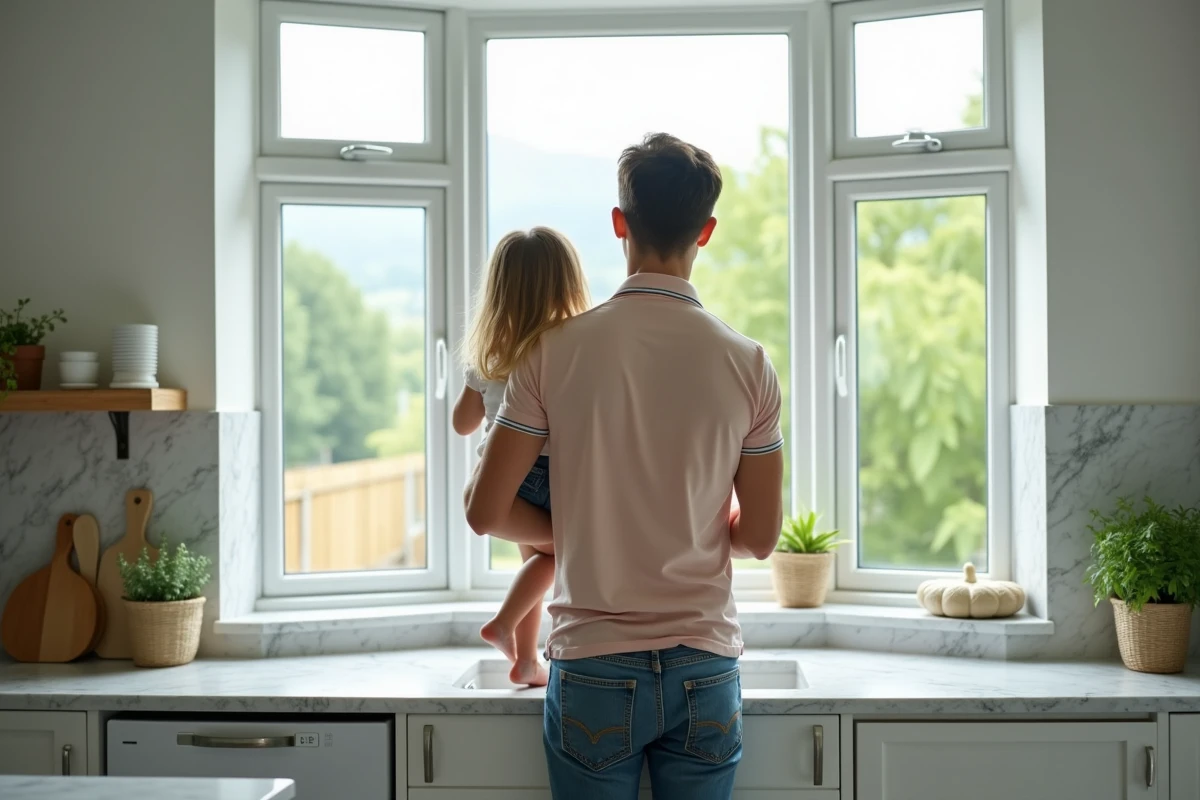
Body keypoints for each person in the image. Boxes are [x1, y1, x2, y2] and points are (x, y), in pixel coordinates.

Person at [464, 133, 784, 800]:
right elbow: (758, 538)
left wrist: (581, 530)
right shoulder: (749, 363)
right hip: (705, 664)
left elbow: (485, 511)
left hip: (593, 662)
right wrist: (700, 520)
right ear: (707, 231)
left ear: (620, 224)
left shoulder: (551, 352)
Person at [454, 227, 590, 687]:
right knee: (555, 557)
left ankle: (527, 661)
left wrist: (480, 387)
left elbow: (462, 424)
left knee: (534, 562)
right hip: (546, 475)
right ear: (567, 285)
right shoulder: (564, 348)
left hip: (497, 477)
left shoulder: (488, 351)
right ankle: (503, 624)